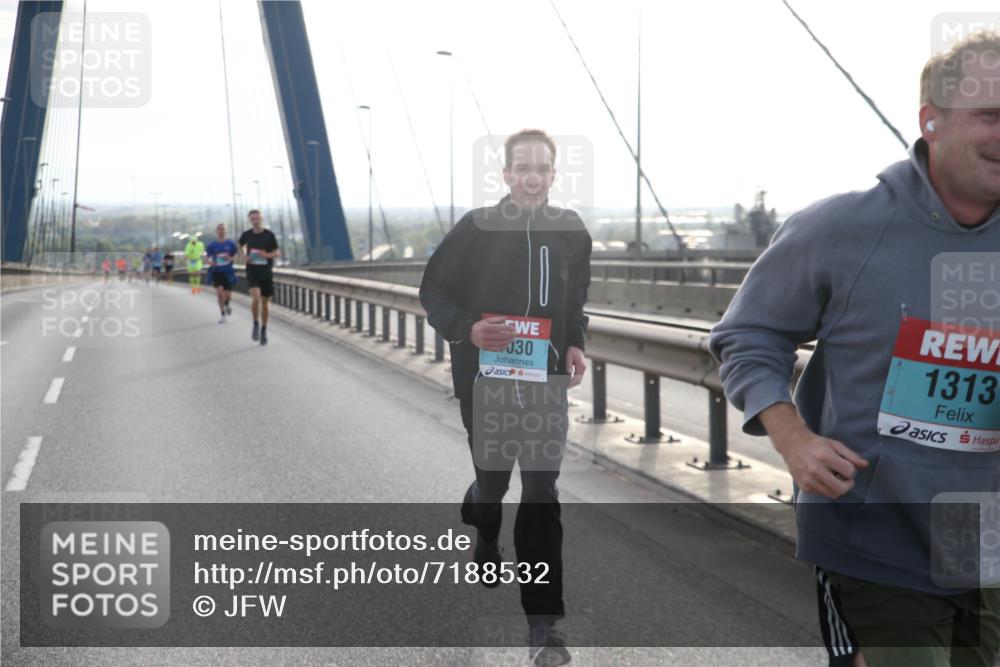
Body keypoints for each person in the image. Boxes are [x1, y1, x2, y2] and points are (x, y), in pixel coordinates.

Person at [709, 31, 1000, 667]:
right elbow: (746, 333)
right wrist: (793, 438)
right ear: (932, 121)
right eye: (990, 115)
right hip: (874, 543)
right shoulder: (841, 228)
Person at [419, 129, 591, 666]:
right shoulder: (477, 228)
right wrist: (465, 330)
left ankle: (545, 629)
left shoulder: (571, 233)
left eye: (542, 167)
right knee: (493, 481)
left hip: (545, 382)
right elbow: (432, 291)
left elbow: (575, 299)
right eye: (523, 166)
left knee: (540, 490)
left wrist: (575, 345)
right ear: (507, 174)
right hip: (485, 380)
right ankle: (482, 517)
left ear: (554, 175)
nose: (533, 176)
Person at [238, 209, 280, 346]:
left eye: (257, 218)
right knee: (256, 298)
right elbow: (239, 245)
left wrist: (265, 255)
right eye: (253, 219)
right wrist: (244, 256)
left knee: (265, 303)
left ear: (261, 219)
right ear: (250, 220)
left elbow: (276, 252)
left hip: (266, 272)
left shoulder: (269, 235)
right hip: (252, 271)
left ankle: (264, 330)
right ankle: (255, 323)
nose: (255, 221)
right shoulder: (247, 235)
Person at [205, 223, 238, 323]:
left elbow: (236, 256)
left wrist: (231, 258)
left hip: (228, 272)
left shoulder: (231, 244)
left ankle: (227, 305)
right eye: (219, 229)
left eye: (223, 229)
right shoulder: (212, 245)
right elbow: (207, 258)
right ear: (216, 231)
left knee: (228, 295)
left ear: (225, 231)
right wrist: (210, 262)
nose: (221, 231)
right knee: (220, 294)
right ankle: (222, 315)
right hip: (216, 272)